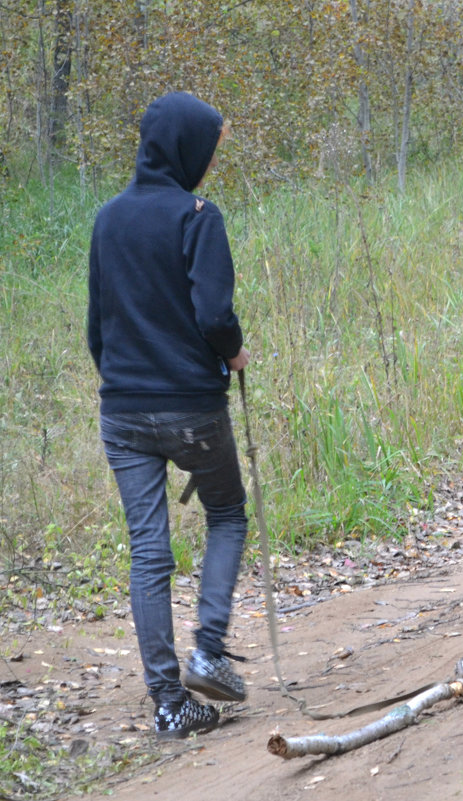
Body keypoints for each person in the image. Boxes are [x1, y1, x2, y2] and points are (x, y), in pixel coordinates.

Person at [87, 91, 251, 740]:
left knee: (148, 551)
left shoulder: (107, 220)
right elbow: (214, 316)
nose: (210, 162)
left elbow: (96, 329)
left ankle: (168, 702)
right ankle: (208, 650)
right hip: (191, 407)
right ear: (187, 149)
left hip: (122, 411)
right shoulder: (197, 216)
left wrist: (125, 380)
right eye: (209, 147)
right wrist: (234, 353)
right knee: (228, 514)